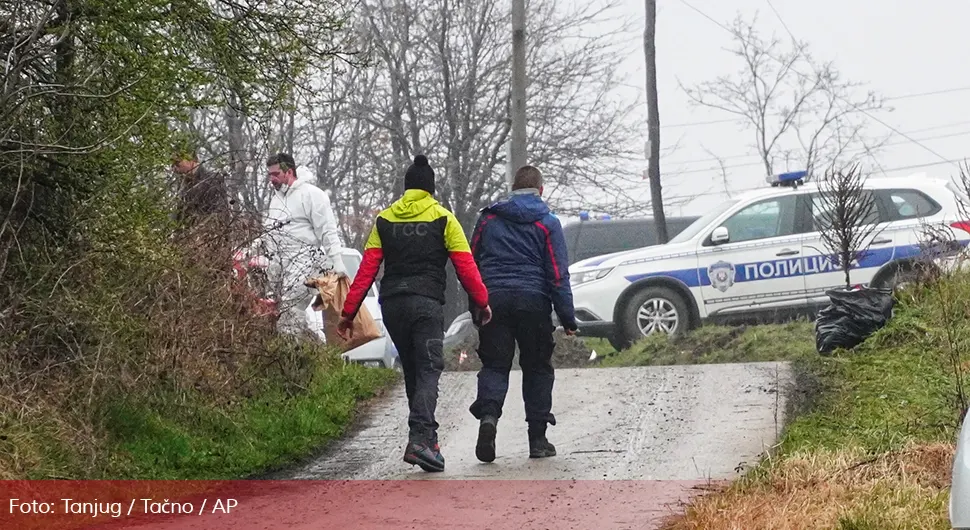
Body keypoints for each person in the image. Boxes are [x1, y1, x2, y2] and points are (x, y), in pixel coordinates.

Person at [336, 154, 492, 473]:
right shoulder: (443, 218)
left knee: (414, 370)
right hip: (426, 304)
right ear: (431, 189)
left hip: (393, 305)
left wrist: (348, 312)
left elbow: (366, 270)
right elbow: (466, 266)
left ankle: (427, 440)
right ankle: (420, 439)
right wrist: (482, 302)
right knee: (429, 367)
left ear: (407, 189)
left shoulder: (385, 219)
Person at [466, 165, 577, 463]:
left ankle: (488, 418)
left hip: (494, 302)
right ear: (540, 190)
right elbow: (557, 274)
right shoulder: (548, 223)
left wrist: (476, 305)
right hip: (534, 303)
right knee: (537, 367)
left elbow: (471, 263)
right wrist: (567, 317)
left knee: (495, 365)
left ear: (512, 189)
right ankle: (538, 440)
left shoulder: (489, 218)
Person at [261, 153, 348, 338]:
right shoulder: (276, 200)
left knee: (290, 310)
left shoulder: (312, 195)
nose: (272, 179)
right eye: (270, 174)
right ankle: (311, 350)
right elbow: (271, 232)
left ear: (289, 171)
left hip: (305, 261)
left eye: (275, 174)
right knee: (279, 314)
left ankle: (291, 356)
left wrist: (337, 260)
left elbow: (327, 230)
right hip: (281, 264)